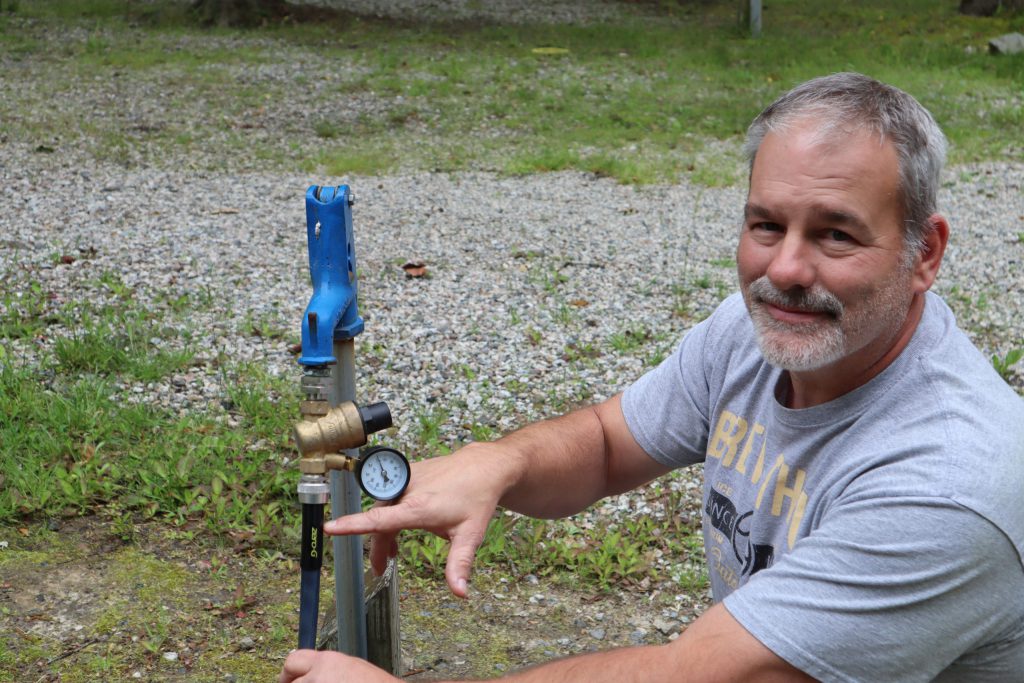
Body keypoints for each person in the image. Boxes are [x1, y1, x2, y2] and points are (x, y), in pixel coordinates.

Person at [280, 73, 1024, 682]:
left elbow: (699, 675)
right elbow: (607, 443)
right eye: (766, 225)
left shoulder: (947, 483)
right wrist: (499, 463)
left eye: (835, 232)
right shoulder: (755, 335)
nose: (786, 270)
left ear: (925, 252)